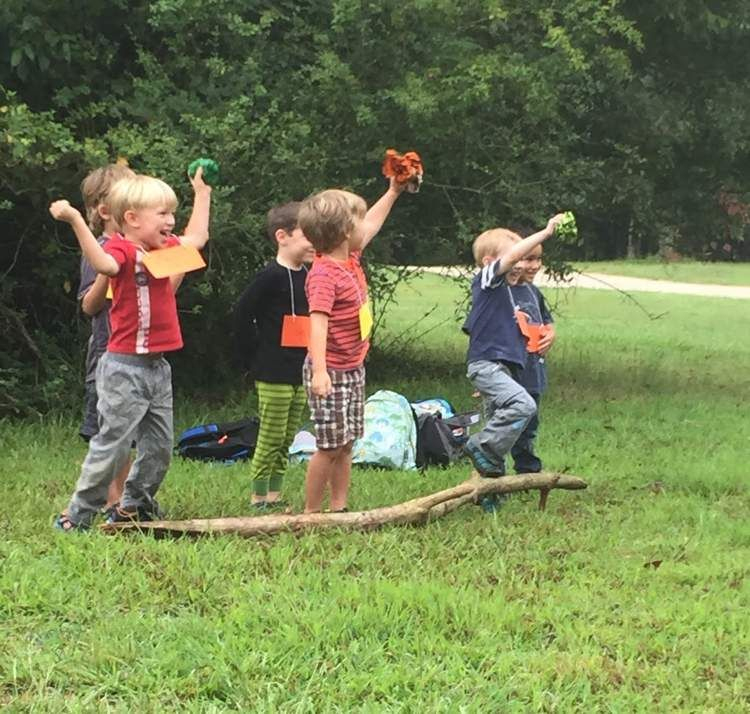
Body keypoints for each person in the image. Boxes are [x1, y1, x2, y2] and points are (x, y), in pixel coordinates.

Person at [48, 169, 212, 530]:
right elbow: (104, 265)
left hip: (158, 368)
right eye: (163, 214)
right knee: (113, 445)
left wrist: (202, 192)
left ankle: (134, 504)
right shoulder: (119, 249)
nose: (171, 221)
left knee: (159, 448)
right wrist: (76, 220)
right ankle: (78, 513)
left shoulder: (166, 250)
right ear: (132, 219)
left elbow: (197, 237)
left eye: (172, 213)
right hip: (123, 368)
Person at [300, 179, 405, 513]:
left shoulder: (351, 257)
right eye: (358, 221)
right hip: (329, 371)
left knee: (346, 444)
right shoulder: (323, 274)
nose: (366, 226)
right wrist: (319, 371)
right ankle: (311, 513)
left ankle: (339, 507)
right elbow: (317, 322)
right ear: (346, 230)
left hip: (352, 367)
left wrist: (393, 192)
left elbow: (372, 222)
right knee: (328, 447)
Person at [461, 216, 563, 486]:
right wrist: (546, 232)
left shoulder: (519, 291)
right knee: (522, 406)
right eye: (515, 258)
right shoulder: (487, 283)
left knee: (502, 426)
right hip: (488, 366)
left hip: (505, 369)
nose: (519, 264)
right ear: (489, 263)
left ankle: (491, 489)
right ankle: (478, 445)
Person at [234, 202, 315, 509]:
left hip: (300, 370)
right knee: (271, 435)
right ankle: (257, 497)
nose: (314, 242)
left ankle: (275, 494)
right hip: (272, 371)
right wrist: (253, 358)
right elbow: (242, 314)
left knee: (287, 437)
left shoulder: (310, 274)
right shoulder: (269, 275)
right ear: (282, 236)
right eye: (307, 234)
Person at [76, 164, 135, 514]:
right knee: (110, 431)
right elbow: (89, 305)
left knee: (127, 432)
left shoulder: (138, 249)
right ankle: (113, 500)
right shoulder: (100, 250)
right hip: (107, 353)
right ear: (104, 210)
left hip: (134, 353)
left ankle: (124, 498)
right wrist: (108, 274)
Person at [508, 243, 556, 473]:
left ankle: (527, 471)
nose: (535, 266)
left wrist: (551, 333)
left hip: (534, 371)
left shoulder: (533, 291)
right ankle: (492, 471)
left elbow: (546, 319)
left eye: (538, 259)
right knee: (508, 423)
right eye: (528, 259)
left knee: (529, 424)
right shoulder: (501, 291)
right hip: (510, 373)